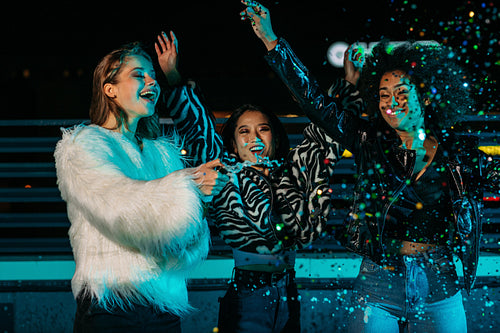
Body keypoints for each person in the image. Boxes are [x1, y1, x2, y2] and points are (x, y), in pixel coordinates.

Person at [240, 1, 500, 332]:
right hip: (379, 283)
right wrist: (271, 40)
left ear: (426, 95)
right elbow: (316, 103)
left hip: (440, 282)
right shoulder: (368, 141)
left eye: (401, 92)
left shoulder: (460, 155)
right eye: (383, 94)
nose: (391, 102)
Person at [155, 30, 355, 332]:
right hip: (248, 294)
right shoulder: (226, 171)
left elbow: (326, 136)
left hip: (288, 293)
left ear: (274, 135)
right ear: (233, 144)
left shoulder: (292, 170)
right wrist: (172, 74)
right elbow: (198, 130)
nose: (254, 138)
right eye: (244, 132)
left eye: (263, 129)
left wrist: (350, 87)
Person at [54, 40, 228, 332]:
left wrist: (199, 200)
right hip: (112, 304)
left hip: (163, 308)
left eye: (153, 76)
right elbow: (121, 209)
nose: (152, 82)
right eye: (139, 75)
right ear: (110, 89)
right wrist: (189, 187)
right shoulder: (83, 144)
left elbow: (186, 233)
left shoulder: (162, 152)